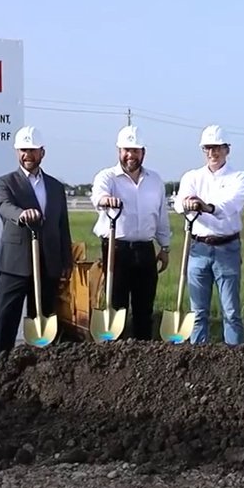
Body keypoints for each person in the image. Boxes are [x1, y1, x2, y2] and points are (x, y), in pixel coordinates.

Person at [0, 125, 73, 358]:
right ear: (17, 152)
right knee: (5, 321)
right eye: (23, 150)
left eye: (32, 150)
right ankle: (0, 368)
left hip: (47, 264)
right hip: (14, 265)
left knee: (44, 321)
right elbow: (3, 206)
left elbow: (62, 226)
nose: (27, 155)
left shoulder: (56, 187)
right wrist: (21, 214)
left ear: (42, 153)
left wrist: (66, 259)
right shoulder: (5, 183)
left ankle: (41, 369)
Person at [90, 125, 172, 340]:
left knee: (144, 306)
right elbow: (97, 195)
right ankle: (117, 353)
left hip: (145, 249)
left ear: (143, 152)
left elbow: (161, 216)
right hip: (116, 249)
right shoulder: (107, 177)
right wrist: (105, 200)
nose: (130, 155)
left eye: (135, 151)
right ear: (119, 151)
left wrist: (164, 247)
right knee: (116, 305)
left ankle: (142, 354)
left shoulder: (154, 180)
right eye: (126, 150)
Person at [173, 124, 244, 345]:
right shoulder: (192, 176)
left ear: (227, 149)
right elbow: (180, 203)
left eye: (217, 148)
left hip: (227, 248)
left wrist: (207, 207)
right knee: (198, 313)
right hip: (198, 248)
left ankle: (235, 357)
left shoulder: (239, 177)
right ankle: (198, 356)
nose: (212, 153)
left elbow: (232, 204)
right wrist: (188, 204)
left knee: (231, 312)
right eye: (208, 148)